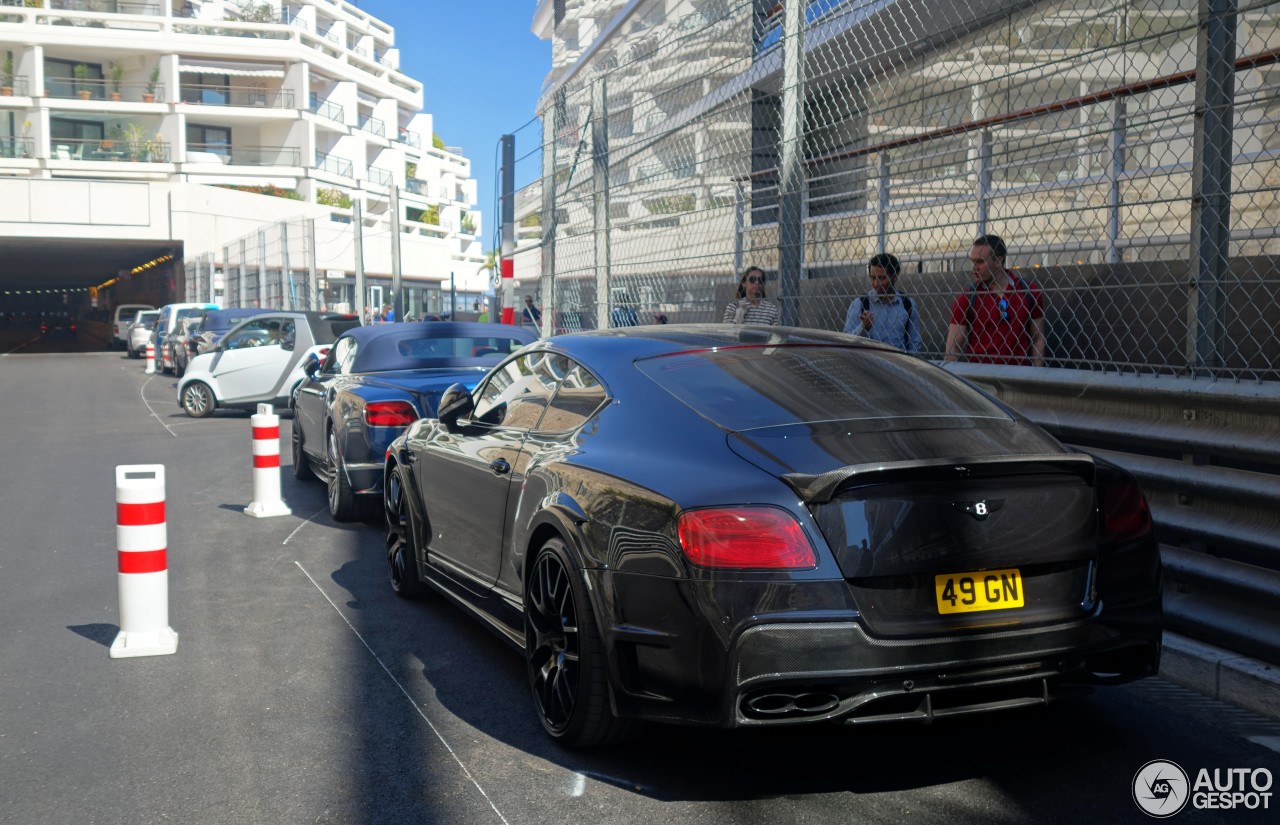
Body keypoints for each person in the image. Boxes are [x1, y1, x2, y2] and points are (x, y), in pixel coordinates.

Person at [944, 233, 1045, 366]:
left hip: (1019, 375)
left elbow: (1038, 338)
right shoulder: (968, 298)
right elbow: (953, 348)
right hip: (980, 378)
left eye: (980, 261)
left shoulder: (1028, 291)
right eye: (972, 261)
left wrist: (1036, 375)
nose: (974, 267)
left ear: (998, 261)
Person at [843, 253, 920, 353]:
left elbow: (914, 342)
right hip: (869, 364)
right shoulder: (860, 304)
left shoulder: (907, 304)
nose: (876, 284)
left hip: (897, 364)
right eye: (873, 278)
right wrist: (862, 327)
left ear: (894, 277)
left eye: (882, 278)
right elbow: (845, 341)